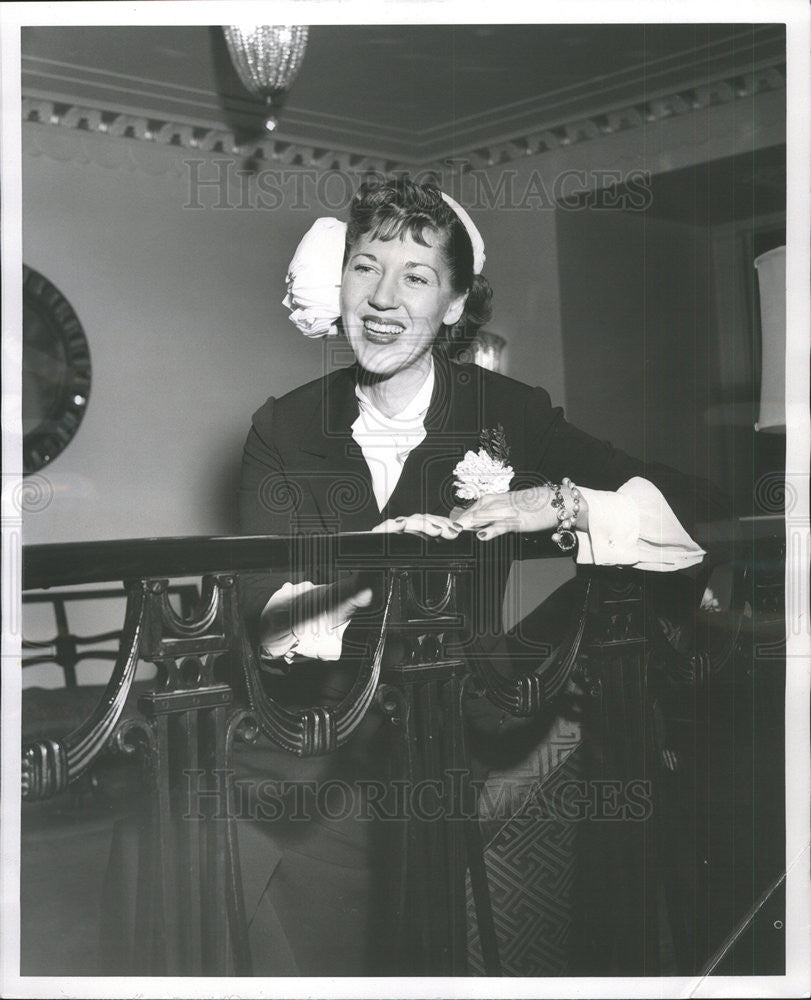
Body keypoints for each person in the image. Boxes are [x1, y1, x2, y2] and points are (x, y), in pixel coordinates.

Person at [235, 177, 726, 976]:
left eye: (417, 276)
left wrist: (563, 503)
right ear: (341, 281)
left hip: (459, 719)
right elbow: (267, 627)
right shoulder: (283, 426)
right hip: (313, 730)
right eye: (366, 267)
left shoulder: (508, 411)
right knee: (189, 829)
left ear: (455, 307)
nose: (383, 299)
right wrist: (373, 560)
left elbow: (691, 503)